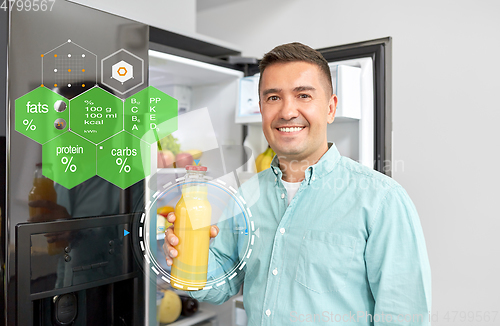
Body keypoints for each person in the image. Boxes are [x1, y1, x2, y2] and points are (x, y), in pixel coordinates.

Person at [164, 42, 431, 325]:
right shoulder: (247, 194)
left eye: (303, 95)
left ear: (330, 108)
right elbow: (222, 283)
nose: (287, 112)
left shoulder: (383, 201)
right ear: (261, 110)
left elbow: (404, 316)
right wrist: (190, 257)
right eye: (273, 98)